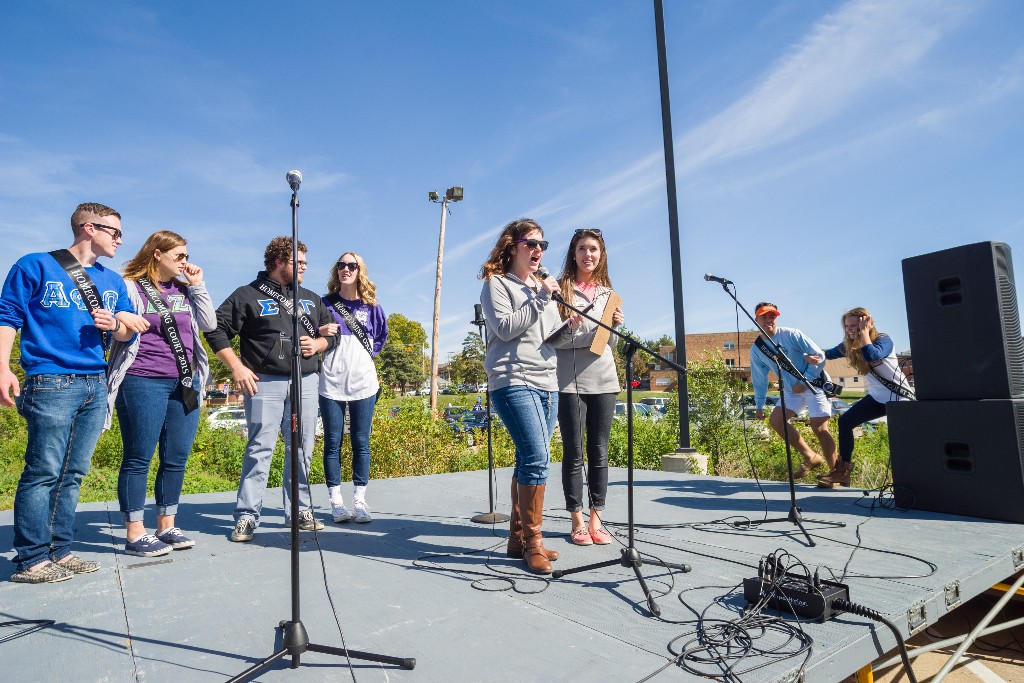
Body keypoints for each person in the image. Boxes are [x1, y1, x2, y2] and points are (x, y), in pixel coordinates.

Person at [0, 203, 148, 583]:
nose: (120, 239)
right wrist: (2, 366)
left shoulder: (113, 281)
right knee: (44, 470)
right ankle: (31, 559)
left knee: (73, 473)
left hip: (94, 383)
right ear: (88, 228)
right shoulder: (35, 265)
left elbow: (124, 333)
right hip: (50, 379)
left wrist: (117, 323)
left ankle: (60, 550)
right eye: (114, 232)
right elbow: (8, 316)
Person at [205, 237, 336, 542]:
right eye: (298, 262)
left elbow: (333, 334)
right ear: (279, 262)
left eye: (305, 262)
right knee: (260, 449)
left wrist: (319, 343)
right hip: (264, 382)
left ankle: (301, 510)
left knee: (302, 448)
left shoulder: (312, 299)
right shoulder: (246, 295)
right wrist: (237, 367)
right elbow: (216, 329)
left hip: (305, 380)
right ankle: (247, 516)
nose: (304, 267)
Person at [105, 231, 217, 556]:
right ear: (157, 254)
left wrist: (198, 286)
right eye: (179, 256)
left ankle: (167, 525)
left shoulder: (183, 289)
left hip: (185, 381)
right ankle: (135, 532)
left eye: (186, 255)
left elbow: (208, 324)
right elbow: (115, 322)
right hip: (143, 378)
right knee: (139, 455)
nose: (186, 261)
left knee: (176, 457)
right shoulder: (130, 286)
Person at [479, 218, 562, 574]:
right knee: (537, 456)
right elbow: (506, 327)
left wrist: (574, 327)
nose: (538, 250)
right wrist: (542, 298)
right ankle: (534, 543)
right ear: (513, 247)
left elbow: (551, 337)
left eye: (543, 245)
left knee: (531, 459)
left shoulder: (543, 290)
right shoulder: (496, 285)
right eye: (531, 243)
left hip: (547, 381)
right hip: (513, 379)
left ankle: (518, 539)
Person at [549, 228, 623, 546]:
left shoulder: (609, 295)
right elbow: (552, 341)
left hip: (605, 380)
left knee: (600, 452)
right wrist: (571, 328)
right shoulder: (559, 292)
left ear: (601, 255)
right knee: (574, 453)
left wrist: (616, 327)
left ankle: (597, 519)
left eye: (593, 249)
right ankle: (576, 520)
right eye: (582, 248)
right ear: (573, 254)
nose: (588, 254)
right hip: (569, 383)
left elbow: (609, 344)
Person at [318, 251, 388, 524]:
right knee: (332, 443)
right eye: (341, 265)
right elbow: (314, 335)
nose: (345, 269)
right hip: (331, 381)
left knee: (361, 442)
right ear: (336, 270)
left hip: (363, 382)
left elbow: (380, 338)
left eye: (351, 265)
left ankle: (359, 500)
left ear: (360, 271)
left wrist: (361, 358)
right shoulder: (325, 304)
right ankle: (336, 502)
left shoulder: (372, 306)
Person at [819, 307, 913, 488]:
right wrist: (814, 356)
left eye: (854, 325)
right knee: (845, 422)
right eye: (847, 326)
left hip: (898, 399)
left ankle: (907, 482)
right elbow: (827, 354)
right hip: (877, 399)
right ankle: (843, 472)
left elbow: (872, 355)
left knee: (900, 443)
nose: (850, 330)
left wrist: (864, 334)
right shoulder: (848, 346)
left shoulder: (883, 340)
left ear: (867, 323)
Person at [749, 302, 837, 479]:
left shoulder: (791, 334)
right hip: (792, 389)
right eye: (764, 316)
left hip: (815, 383)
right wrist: (759, 405)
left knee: (818, 426)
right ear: (756, 319)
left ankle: (835, 473)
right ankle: (810, 457)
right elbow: (759, 379)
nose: (768, 320)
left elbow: (819, 356)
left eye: (772, 316)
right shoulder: (757, 349)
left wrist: (805, 381)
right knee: (776, 420)